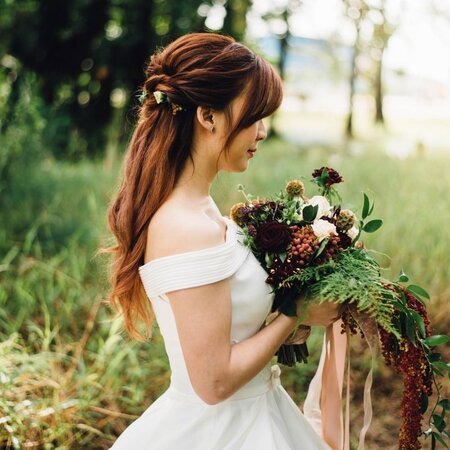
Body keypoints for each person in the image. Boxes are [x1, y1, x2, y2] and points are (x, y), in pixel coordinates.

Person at [106, 32, 341, 450]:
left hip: (259, 413)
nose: (263, 132)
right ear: (208, 116)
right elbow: (214, 383)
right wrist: (296, 311)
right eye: (254, 117)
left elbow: (231, 327)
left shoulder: (206, 209)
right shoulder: (185, 226)